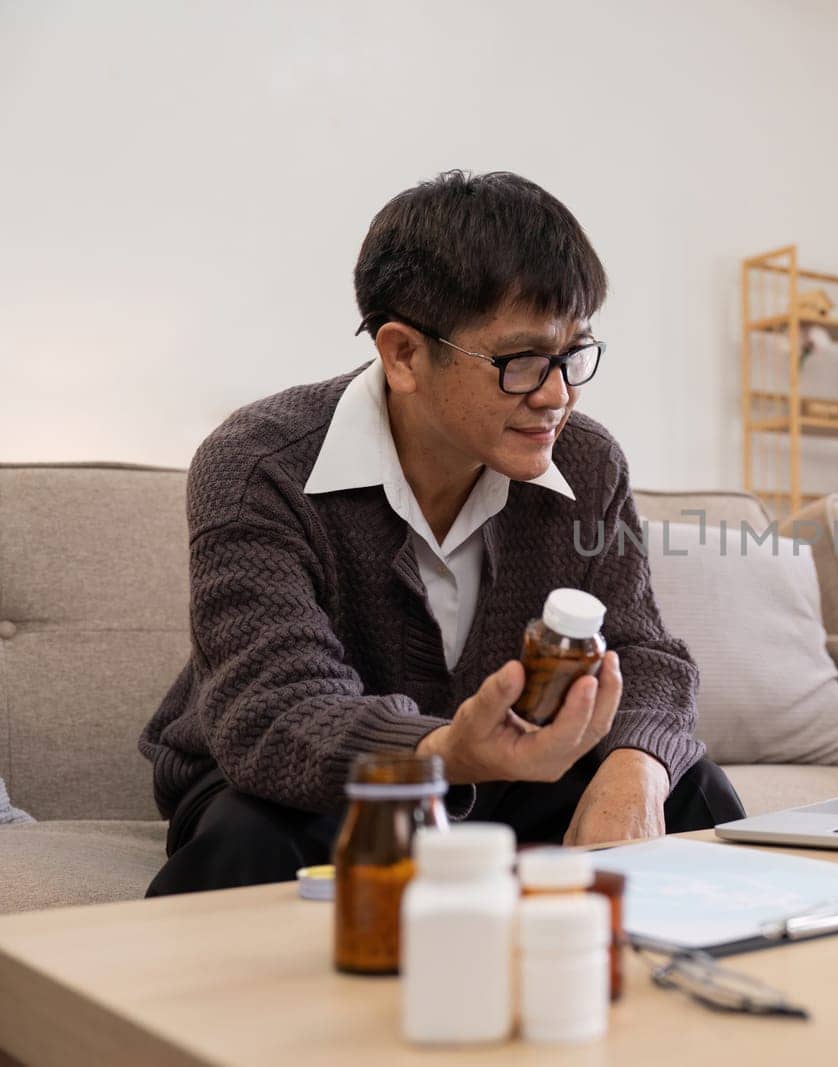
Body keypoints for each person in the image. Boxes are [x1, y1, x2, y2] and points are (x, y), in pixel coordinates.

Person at [140, 170, 744, 896]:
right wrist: (446, 750)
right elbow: (274, 711)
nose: (557, 395)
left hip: (504, 783)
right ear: (402, 354)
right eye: (520, 362)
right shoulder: (257, 464)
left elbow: (645, 651)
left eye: (573, 352)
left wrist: (635, 766)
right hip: (302, 783)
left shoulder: (588, 461)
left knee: (691, 789)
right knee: (252, 838)